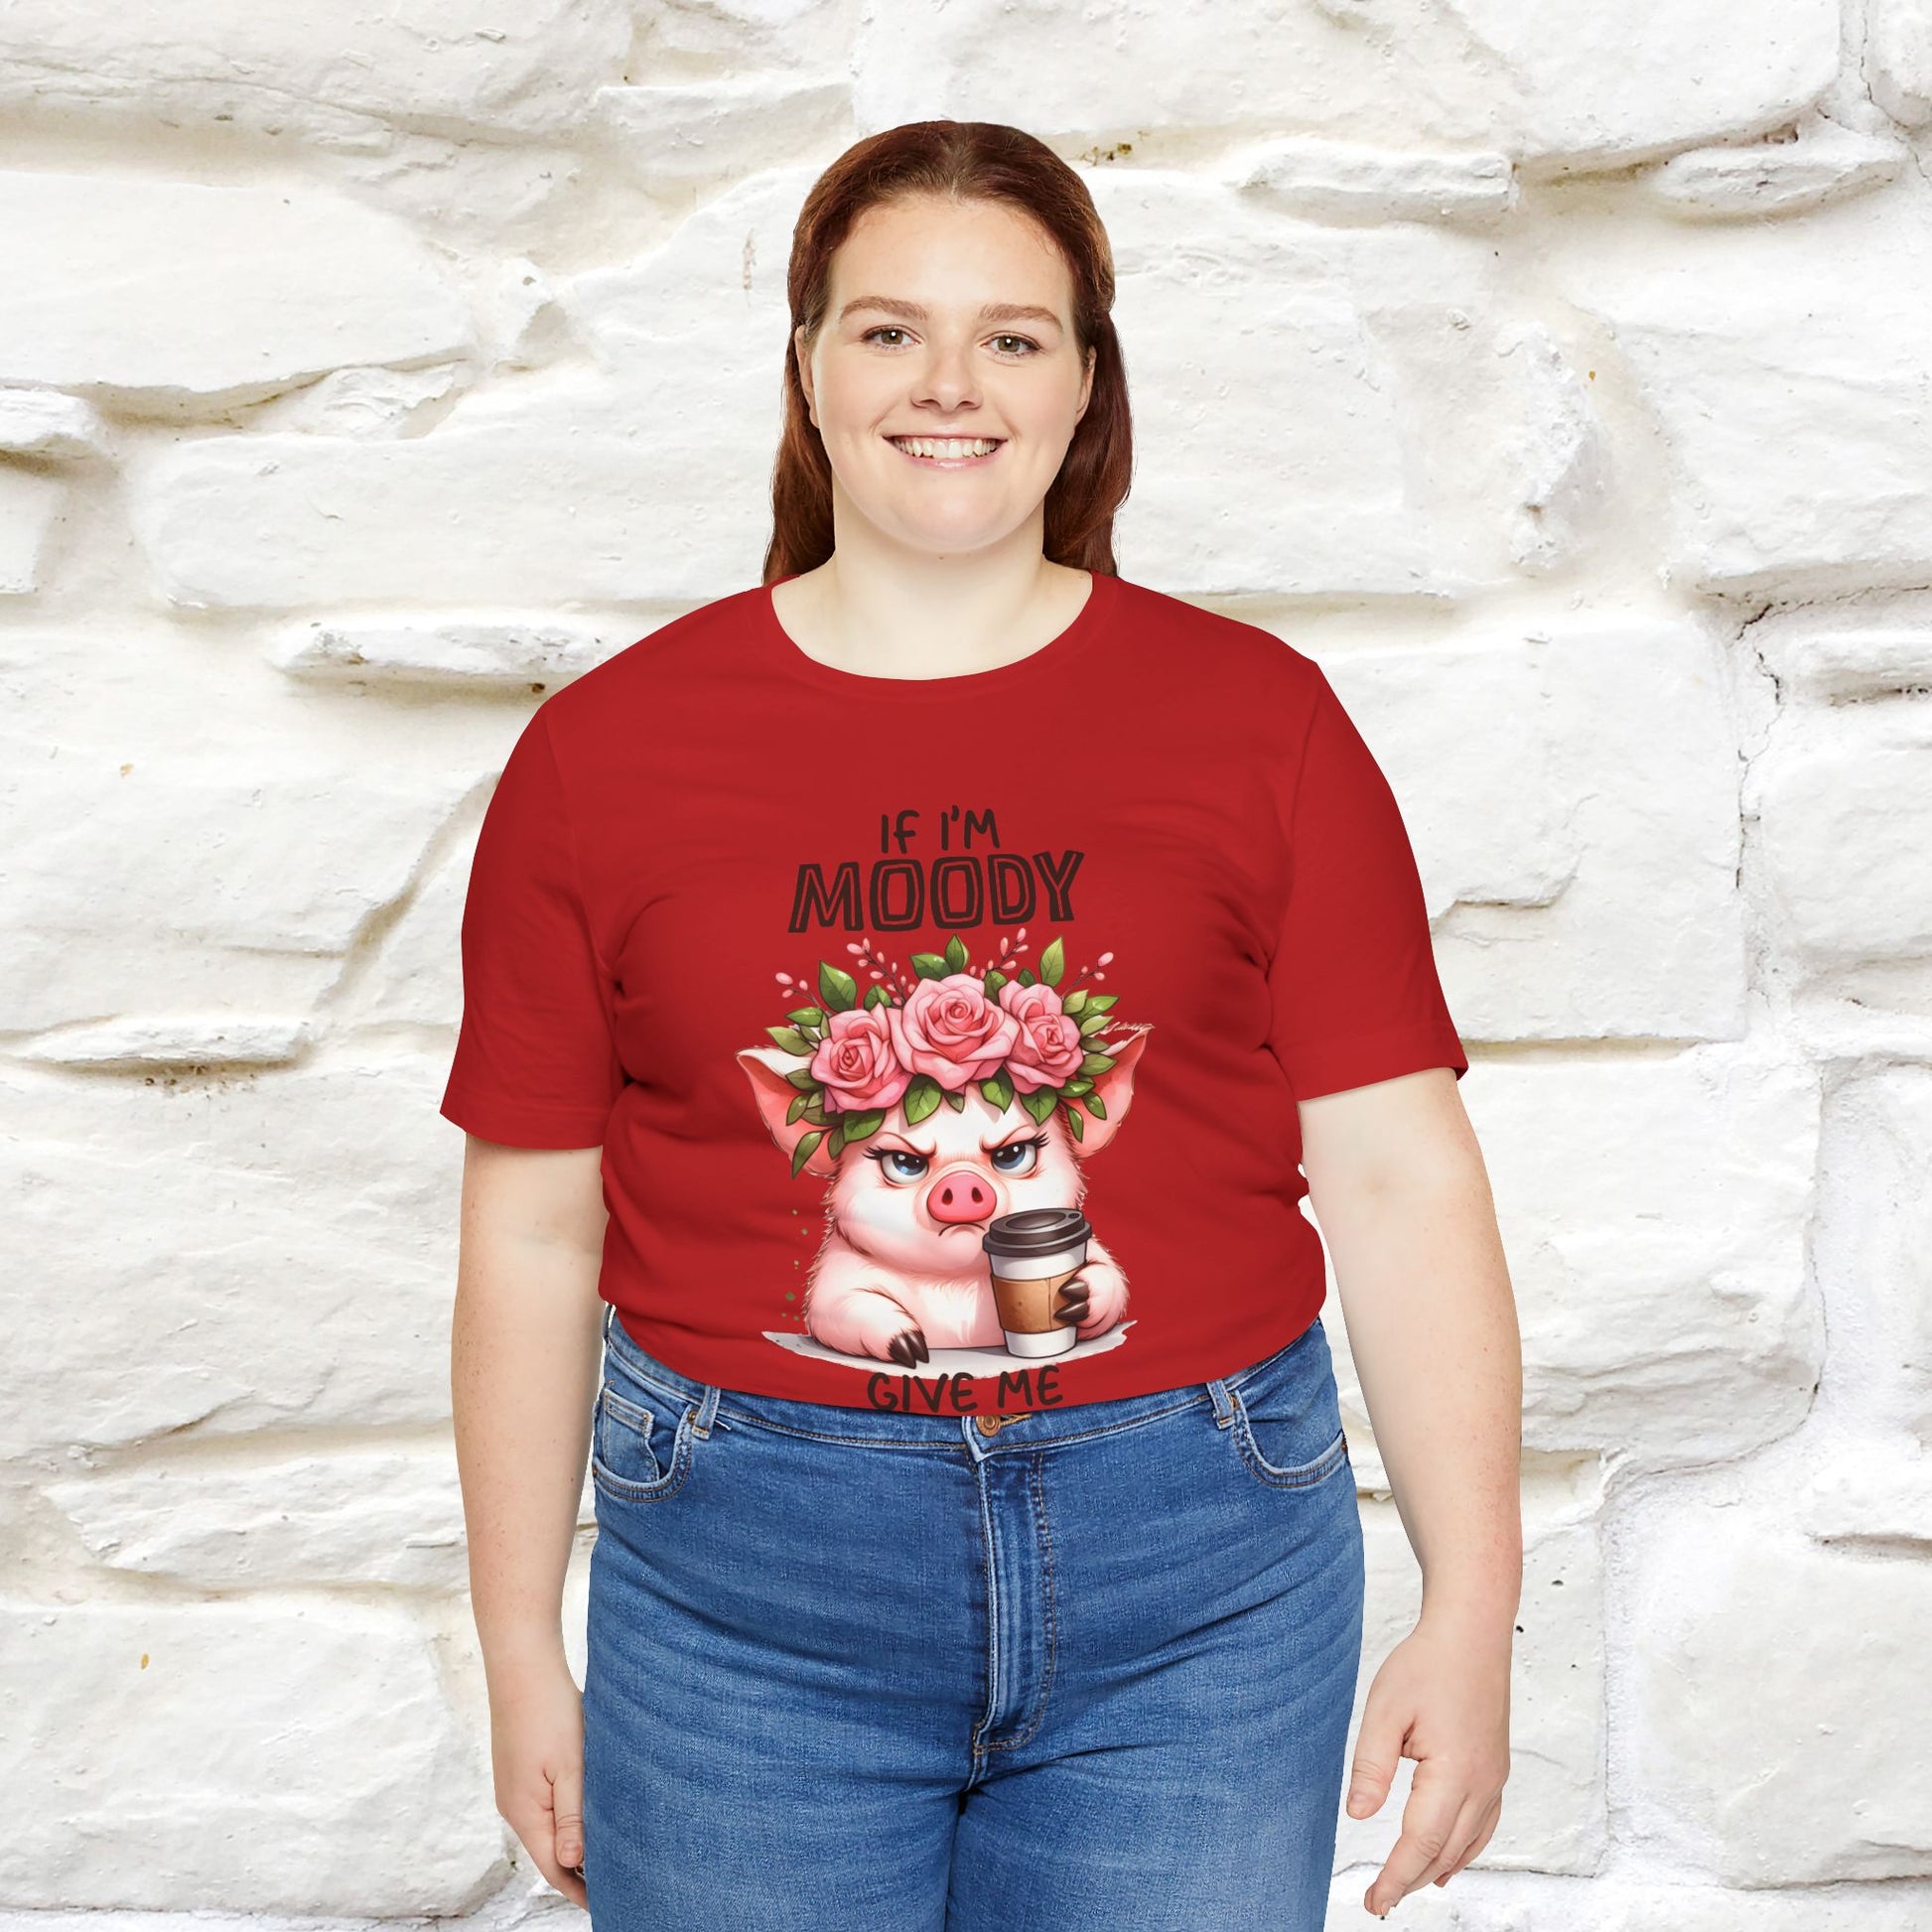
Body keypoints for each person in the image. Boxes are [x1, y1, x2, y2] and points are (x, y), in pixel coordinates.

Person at [443, 120, 1521, 1931]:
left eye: (1011, 336)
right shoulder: (602, 754)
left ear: (1084, 382)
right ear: (807, 366)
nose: (948, 383)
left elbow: (1400, 1178)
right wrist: (517, 1650)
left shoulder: (1258, 721)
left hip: (1201, 1590)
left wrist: (1473, 1605)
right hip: (744, 1603)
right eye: (889, 330)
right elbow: (533, 1231)